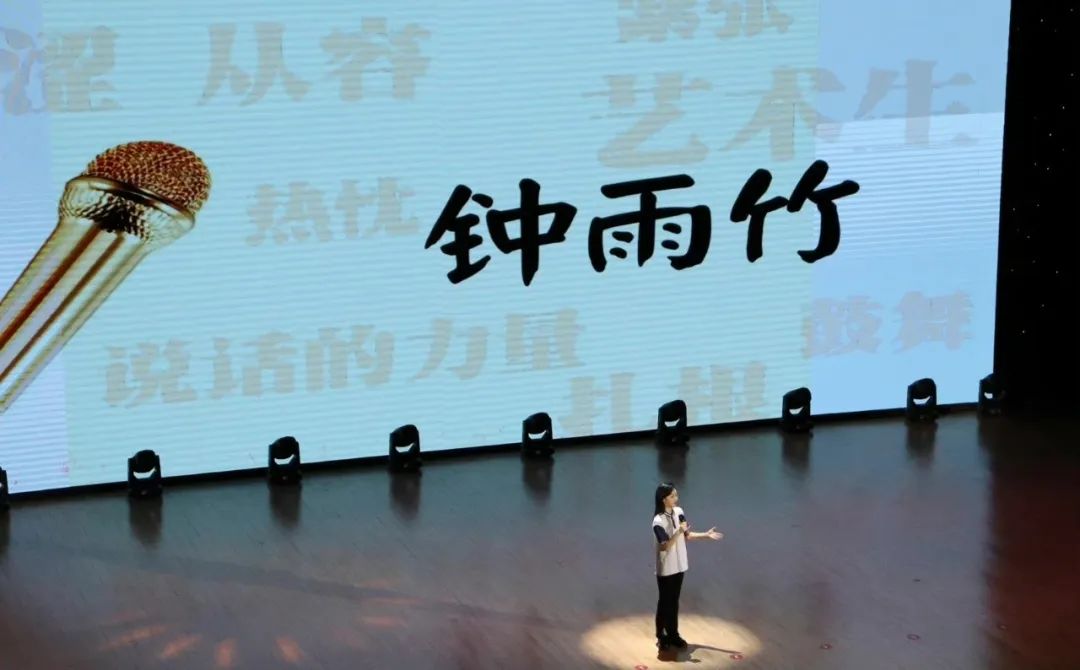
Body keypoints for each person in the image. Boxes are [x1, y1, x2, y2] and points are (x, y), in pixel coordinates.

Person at [652, 483, 723, 651]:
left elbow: (687, 535)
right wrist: (677, 532)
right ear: (664, 499)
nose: (676, 498)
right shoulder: (658, 521)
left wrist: (706, 535)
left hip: (680, 565)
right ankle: (661, 636)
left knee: (674, 601)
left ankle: (673, 634)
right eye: (672, 496)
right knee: (665, 602)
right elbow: (664, 546)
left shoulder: (679, 512)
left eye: (676, 495)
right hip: (666, 567)